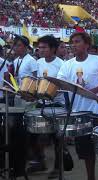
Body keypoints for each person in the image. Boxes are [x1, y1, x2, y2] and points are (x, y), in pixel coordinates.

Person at [57, 32, 98, 180]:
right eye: (72, 42)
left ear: (87, 44)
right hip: (79, 114)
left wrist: (93, 91)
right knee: (86, 153)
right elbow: (60, 83)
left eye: (77, 41)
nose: (74, 45)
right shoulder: (67, 65)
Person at [32, 35, 65, 178]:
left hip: (57, 104)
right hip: (41, 103)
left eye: (44, 47)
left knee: (56, 138)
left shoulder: (62, 64)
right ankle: (42, 162)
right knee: (38, 135)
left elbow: (64, 85)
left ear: (53, 49)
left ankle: (57, 167)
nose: (41, 50)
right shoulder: (38, 62)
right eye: (40, 47)